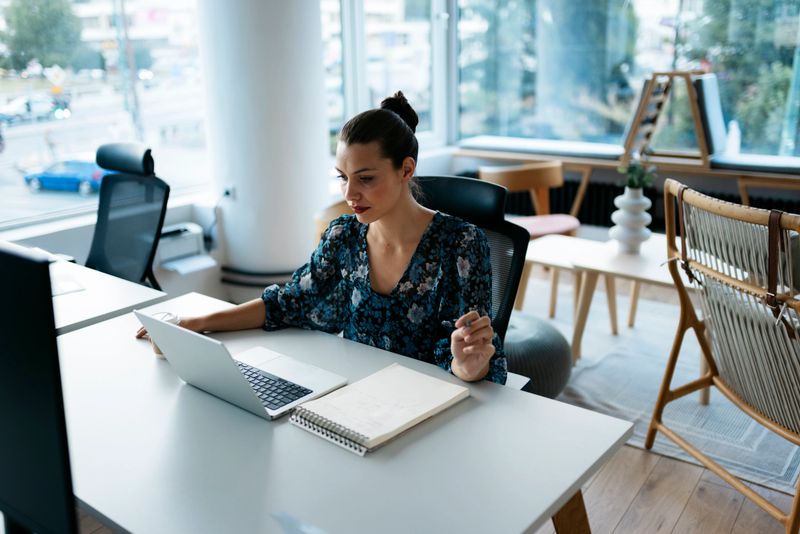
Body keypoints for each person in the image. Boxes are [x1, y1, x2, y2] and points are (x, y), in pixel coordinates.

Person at [138, 91, 506, 384]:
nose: (350, 194)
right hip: (359, 394)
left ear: (406, 169)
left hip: (433, 409)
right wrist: (196, 324)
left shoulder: (461, 245)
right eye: (342, 177)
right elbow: (290, 302)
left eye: (366, 178)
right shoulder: (344, 235)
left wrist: (468, 365)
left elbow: (465, 357)